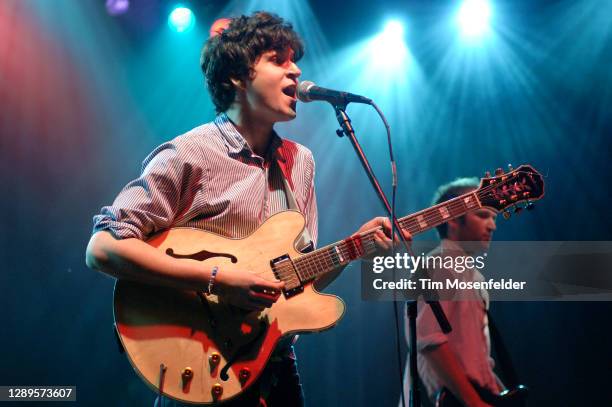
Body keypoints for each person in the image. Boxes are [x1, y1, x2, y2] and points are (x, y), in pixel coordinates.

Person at [86, 11, 401, 406]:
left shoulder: (299, 161)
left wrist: (354, 248)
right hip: (201, 362)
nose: (296, 70)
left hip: (275, 367)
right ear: (236, 76)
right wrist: (217, 278)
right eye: (278, 59)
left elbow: (296, 283)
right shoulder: (189, 153)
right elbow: (102, 248)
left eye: (295, 60)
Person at [400, 178, 501, 407]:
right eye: (483, 215)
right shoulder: (440, 265)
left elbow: (477, 361)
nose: (492, 226)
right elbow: (429, 341)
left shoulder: (474, 276)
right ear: (454, 219)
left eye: (494, 218)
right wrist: (474, 402)